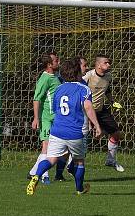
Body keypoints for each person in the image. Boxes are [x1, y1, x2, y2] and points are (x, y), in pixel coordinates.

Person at [27, 57, 101, 196]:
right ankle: (79, 189)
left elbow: (55, 110)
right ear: (78, 72)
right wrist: (97, 125)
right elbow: (88, 107)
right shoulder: (83, 89)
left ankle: (36, 175)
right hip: (75, 132)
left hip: (57, 131)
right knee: (79, 162)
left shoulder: (59, 89)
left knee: (51, 159)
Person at [83, 54, 125, 172]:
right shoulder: (88, 76)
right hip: (86, 111)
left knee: (116, 133)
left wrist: (112, 102)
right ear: (98, 65)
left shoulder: (108, 76)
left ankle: (110, 160)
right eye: (106, 62)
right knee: (82, 140)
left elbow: (107, 90)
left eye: (109, 62)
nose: (109, 65)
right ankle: (73, 165)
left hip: (100, 110)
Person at [28, 52, 61, 184]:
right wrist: (36, 118)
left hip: (56, 117)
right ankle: (43, 175)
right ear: (49, 65)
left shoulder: (56, 77)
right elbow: (37, 99)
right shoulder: (45, 78)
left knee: (56, 148)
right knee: (46, 146)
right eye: (56, 60)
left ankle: (33, 172)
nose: (59, 61)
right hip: (46, 117)